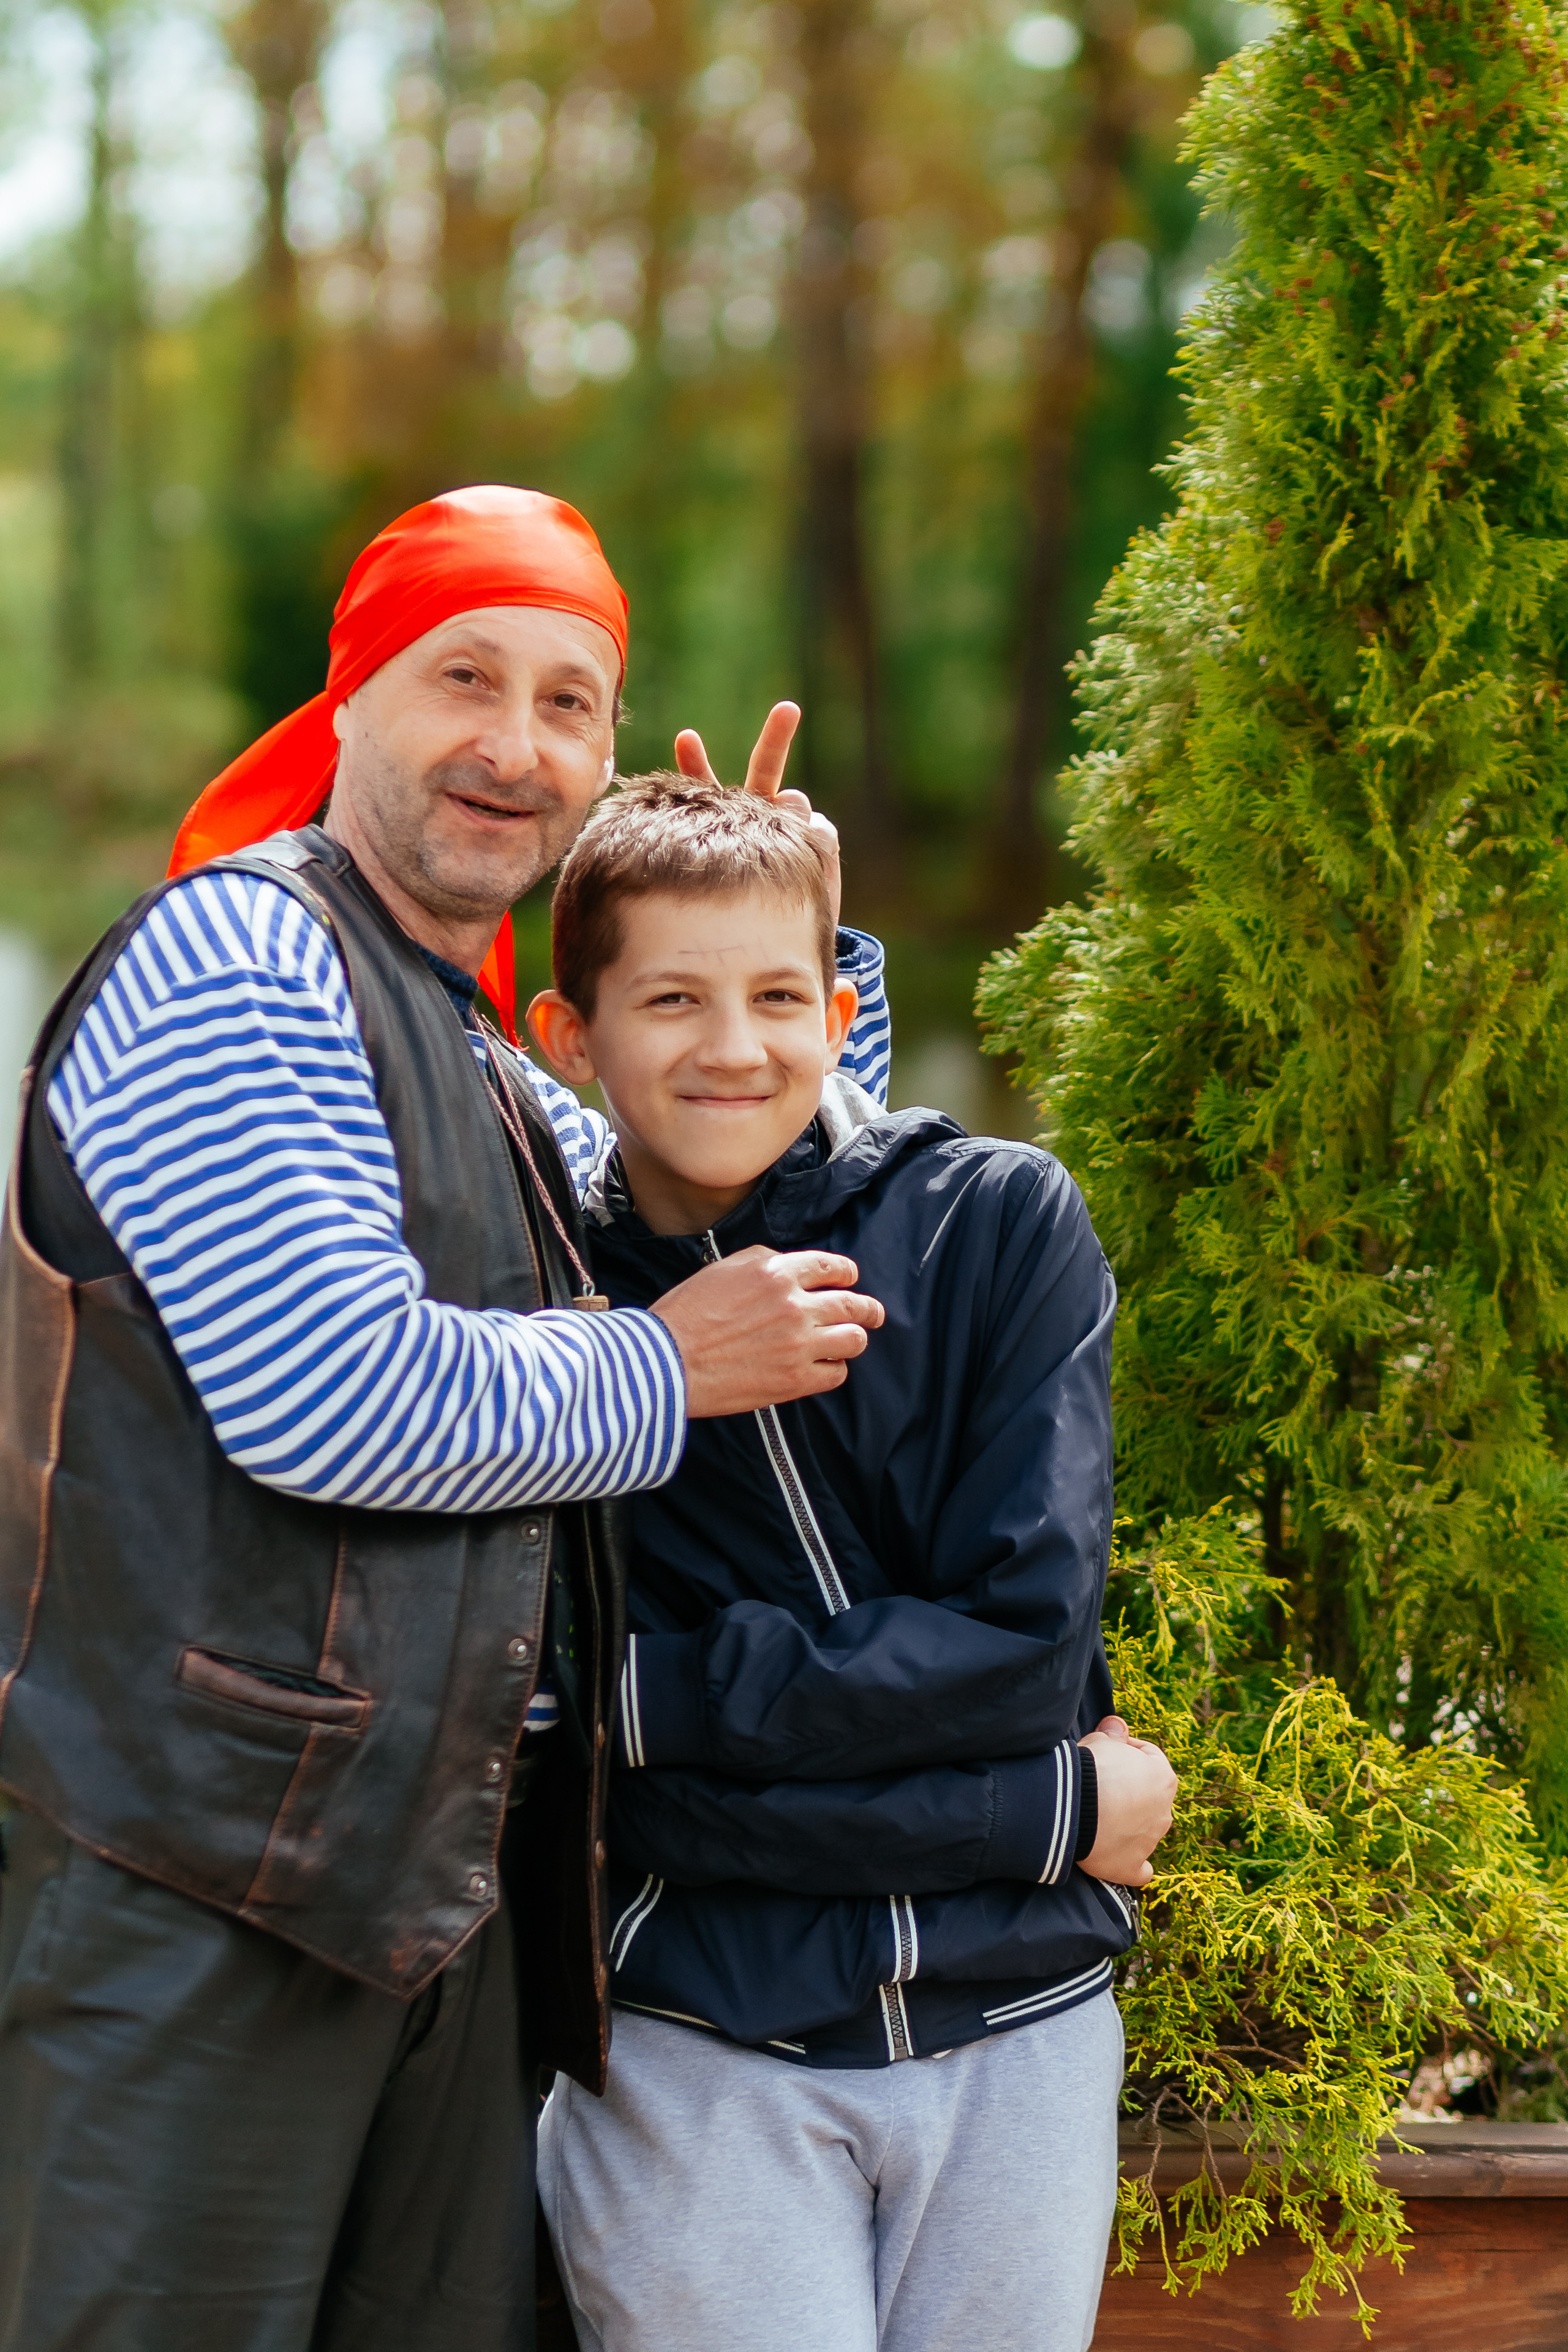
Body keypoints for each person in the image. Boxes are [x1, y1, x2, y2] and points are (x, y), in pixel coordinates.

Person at [0, 488, 894, 2352]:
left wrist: (785, 936)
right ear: (347, 704)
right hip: (196, 1901)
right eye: (464, 678)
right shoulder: (237, 963)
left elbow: (724, 1200)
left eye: (573, 702)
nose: (516, 743)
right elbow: (336, 1401)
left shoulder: (488, 1049)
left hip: (443, 1903)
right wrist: (673, 1366)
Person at [524, 776, 1178, 2352]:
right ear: (569, 1037)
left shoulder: (993, 1226)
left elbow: (1020, 1654)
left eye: (771, 998)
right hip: (690, 2041)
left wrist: (650, 1699)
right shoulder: (539, 1320)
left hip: (1013, 2026)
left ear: (835, 1010)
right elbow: (554, 1742)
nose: (730, 1047)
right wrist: (1036, 1809)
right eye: (669, 999)